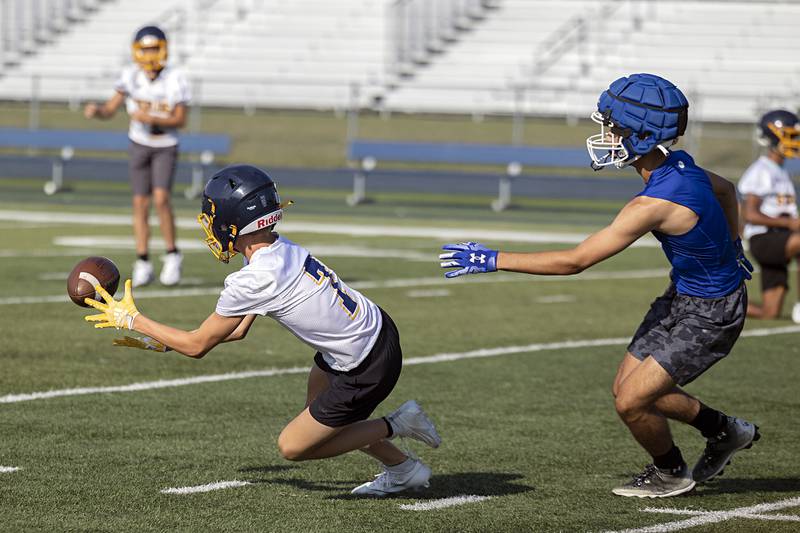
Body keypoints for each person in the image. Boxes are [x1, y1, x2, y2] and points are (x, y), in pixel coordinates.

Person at [439, 73, 759, 498]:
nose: (606, 136)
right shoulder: (680, 165)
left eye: (614, 128)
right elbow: (727, 190)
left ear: (642, 135)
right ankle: (725, 431)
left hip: (712, 311)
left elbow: (576, 261)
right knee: (629, 391)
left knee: (631, 402)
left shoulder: (653, 203)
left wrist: (493, 259)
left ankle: (671, 472)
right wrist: (734, 244)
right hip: (683, 296)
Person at [83, 164, 441, 496]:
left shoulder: (254, 279)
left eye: (212, 215)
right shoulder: (277, 249)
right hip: (370, 331)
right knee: (320, 417)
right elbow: (236, 332)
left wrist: (131, 318)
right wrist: (163, 343)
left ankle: (398, 423)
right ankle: (402, 468)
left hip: (364, 364)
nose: (209, 223)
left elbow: (197, 346)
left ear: (232, 221)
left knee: (296, 446)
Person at [84, 25, 190, 287]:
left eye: (154, 48)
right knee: (140, 203)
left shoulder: (175, 77)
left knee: (162, 198)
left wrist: (150, 116)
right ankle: (143, 259)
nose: (150, 54)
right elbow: (110, 108)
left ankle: (172, 255)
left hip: (165, 144)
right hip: (139, 143)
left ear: (164, 48)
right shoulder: (131, 76)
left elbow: (180, 119)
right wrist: (97, 111)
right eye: (145, 48)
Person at [738, 109, 800, 321]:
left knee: (769, 313)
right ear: (774, 136)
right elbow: (750, 214)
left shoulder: (781, 171)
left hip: (781, 238)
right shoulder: (761, 170)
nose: (796, 141)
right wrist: (788, 223)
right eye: (791, 136)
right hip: (765, 239)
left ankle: (719, 305)